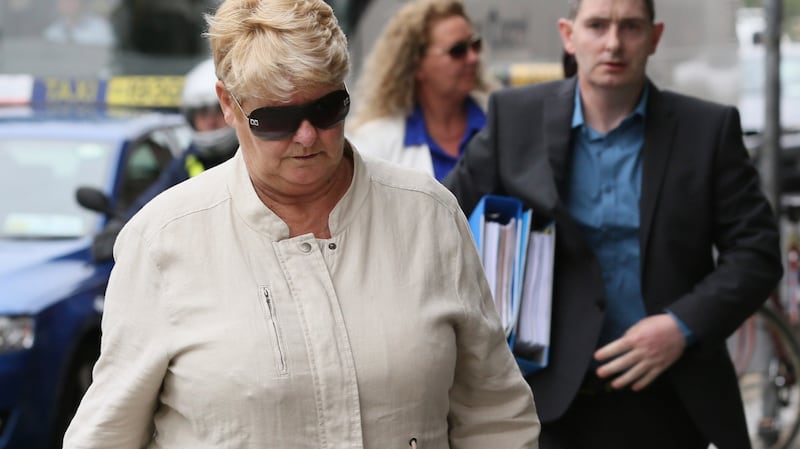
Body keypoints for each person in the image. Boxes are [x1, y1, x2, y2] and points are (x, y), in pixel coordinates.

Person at [62, 0, 540, 447]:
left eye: (326, 109)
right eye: (275, 119)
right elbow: (106, 434)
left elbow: (495, 415)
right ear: (228, 105)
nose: (307, 136)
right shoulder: (162, 241)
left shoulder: (428, 215)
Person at [444, 0, 782, 448]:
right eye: (597, 25)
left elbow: (756, 253)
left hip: (671, 396)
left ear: (655, 37)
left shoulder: (708, 129)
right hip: (546, 403)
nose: (613, 43)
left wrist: (680, 326)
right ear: (569, 34)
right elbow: (443, 216)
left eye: (631, 27)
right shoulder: (515, 118)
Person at [347, 0, 496, 182]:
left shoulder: (501, 122)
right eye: (458, 51)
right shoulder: (374, 142)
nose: (473, 57)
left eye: (475, 44)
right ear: (416, 64)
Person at [124, 57, 239, 217]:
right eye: (203, 114)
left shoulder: (249, 155)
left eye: (217, 111)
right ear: (191, 118)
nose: (211, 122)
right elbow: (151, 204)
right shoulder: (189, 159)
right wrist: (120, 227)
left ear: (231, 110)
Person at [43, 0, 116, 47]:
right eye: (63, 1)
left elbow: (109, 58)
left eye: (72, 1)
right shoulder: (52, 32)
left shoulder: (100, 28)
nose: (68, 4)